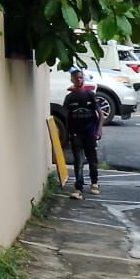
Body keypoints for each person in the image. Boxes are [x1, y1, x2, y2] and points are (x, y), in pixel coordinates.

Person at [62, 69, 103, 199]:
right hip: (76, 133)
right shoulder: (69, 98)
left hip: (90, 132)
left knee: (92, 160)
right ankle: (78, 188)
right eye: (76, 78)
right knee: (78, 161)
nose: (78, 80)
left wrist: (99, 129)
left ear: (83, 79)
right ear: (72, 80)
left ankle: (94, 182)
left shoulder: (90, 95)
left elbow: (100, 114)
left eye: (80, 78)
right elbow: (67, 117)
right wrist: (68, 134)